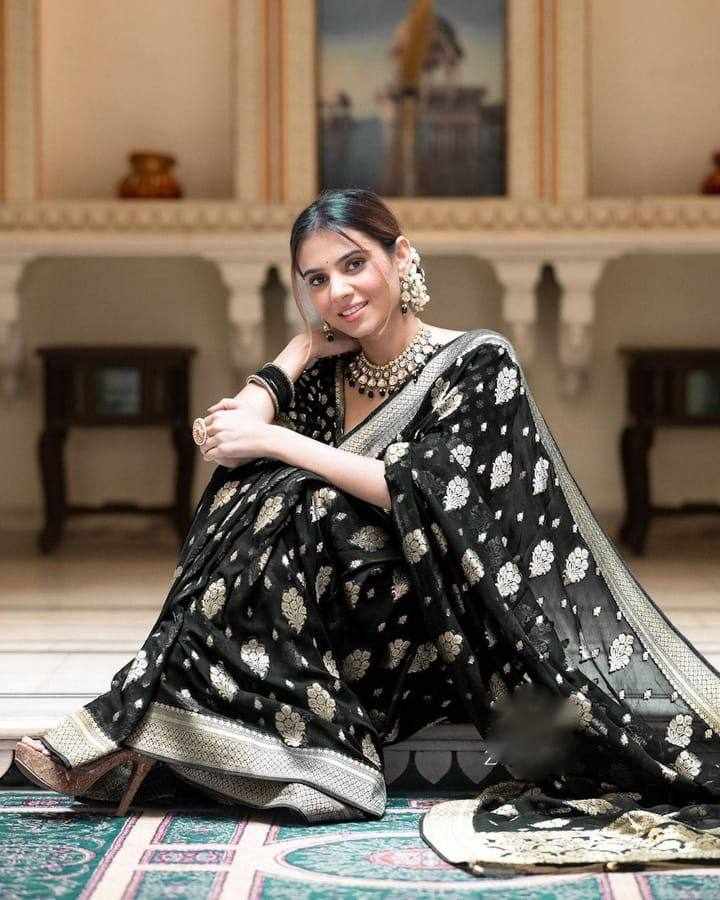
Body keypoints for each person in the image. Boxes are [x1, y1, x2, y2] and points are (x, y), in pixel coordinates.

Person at [14, 189, 720, 873]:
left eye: (354, 264)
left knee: (300, 497)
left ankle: (174, 727)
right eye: (316, 279)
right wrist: (295, 354)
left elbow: (421, 493)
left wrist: (279, 441)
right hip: (331, 617)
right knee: (253, 494)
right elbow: (228, 446)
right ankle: (195, 728)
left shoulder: (478, 362)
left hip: (438, 622)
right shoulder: (327, 374)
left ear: (400, 256)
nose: (339, 292)